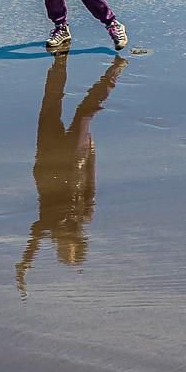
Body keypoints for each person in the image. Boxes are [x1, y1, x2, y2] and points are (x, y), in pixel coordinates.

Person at [16, 52, 128, 296]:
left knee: (49, 104)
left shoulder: (46, 226)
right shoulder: (85, 215)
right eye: (71, 251)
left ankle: (59, 63)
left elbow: (30, 248)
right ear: (78, 243)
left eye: (65, 253)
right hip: (76, 158)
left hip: (45, 156)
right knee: (85, 114)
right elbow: (91, 183)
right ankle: (113, 75)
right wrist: (92, 152)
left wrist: (23, 268)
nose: (67, 248)